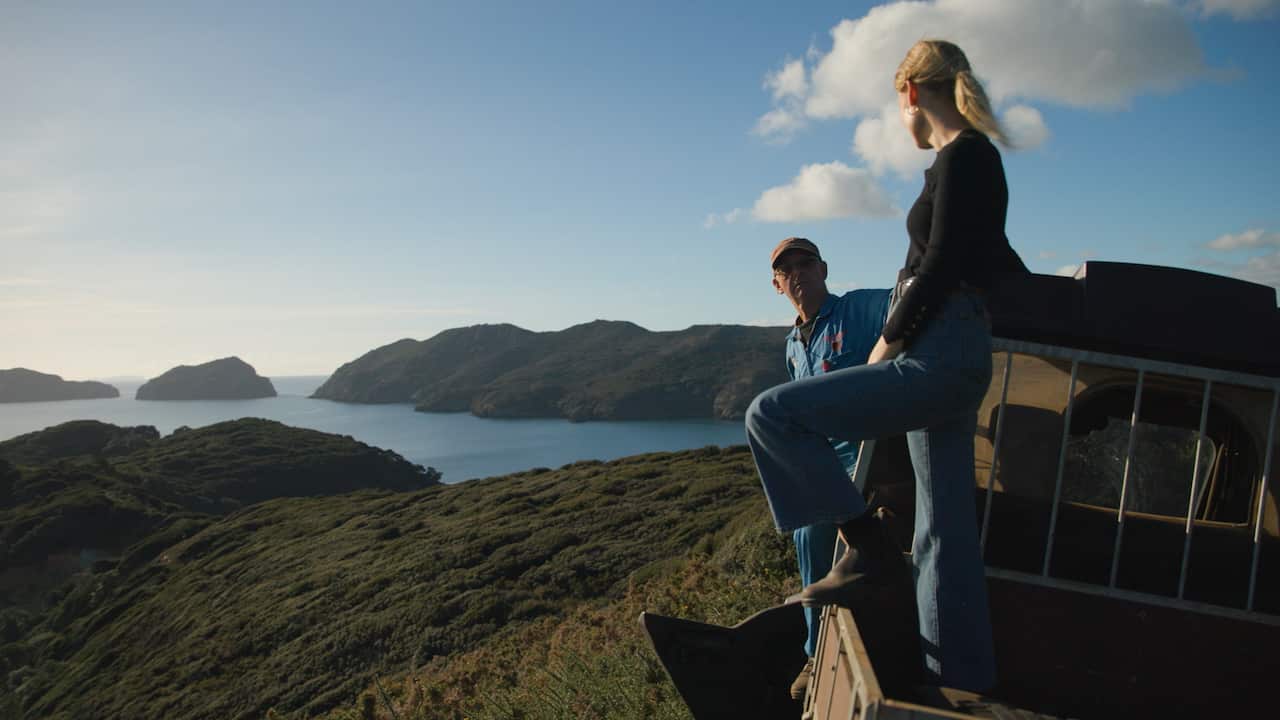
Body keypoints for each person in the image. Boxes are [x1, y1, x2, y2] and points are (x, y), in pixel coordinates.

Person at [745, 39, 1027, 692]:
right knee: (942, 541)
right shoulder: (962, 166)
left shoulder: (966, 156)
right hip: (955, 358)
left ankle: (868, 552)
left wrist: (889, 342)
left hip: (940, 356)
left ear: (909, 94)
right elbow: (992, 259)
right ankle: (958, 686)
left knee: (772, 416)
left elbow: (940, 267)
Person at [765, 237, 891, 699]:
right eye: (787, 268)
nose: (798, 271)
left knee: (808, 531)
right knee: (799, 521)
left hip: (872, 458)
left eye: (807, 262)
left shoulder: (855, 310)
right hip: (825, 466)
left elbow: (903, 304)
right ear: (777, 285)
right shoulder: (793, 345)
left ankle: (816, 651)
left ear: (824, 270)